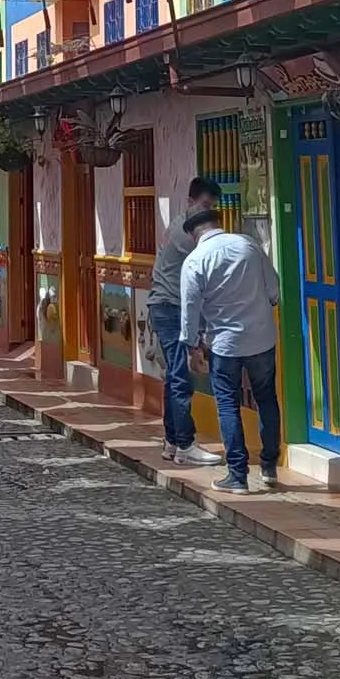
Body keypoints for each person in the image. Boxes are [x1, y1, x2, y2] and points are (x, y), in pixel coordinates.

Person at [179, 191, 283, 496]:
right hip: (261, 338)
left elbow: (190, 310)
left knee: (227, 404)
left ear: (194, 233)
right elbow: (274, 289)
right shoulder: (248, 245)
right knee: (267, 399)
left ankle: (238, 475)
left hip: (225, 344)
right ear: (217, 223)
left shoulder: (195, 260)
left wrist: (192, 347)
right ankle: (269, 466)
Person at [147, 178, 222, 469]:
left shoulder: (180, 224)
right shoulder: (188, 236)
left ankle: (172, 441)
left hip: (164, 306)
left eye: (212, 207)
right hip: (171, 308)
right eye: (204, 205)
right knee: (181, 378)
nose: (207, 212)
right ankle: (186, 445)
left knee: (174, 377)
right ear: (190, 201)